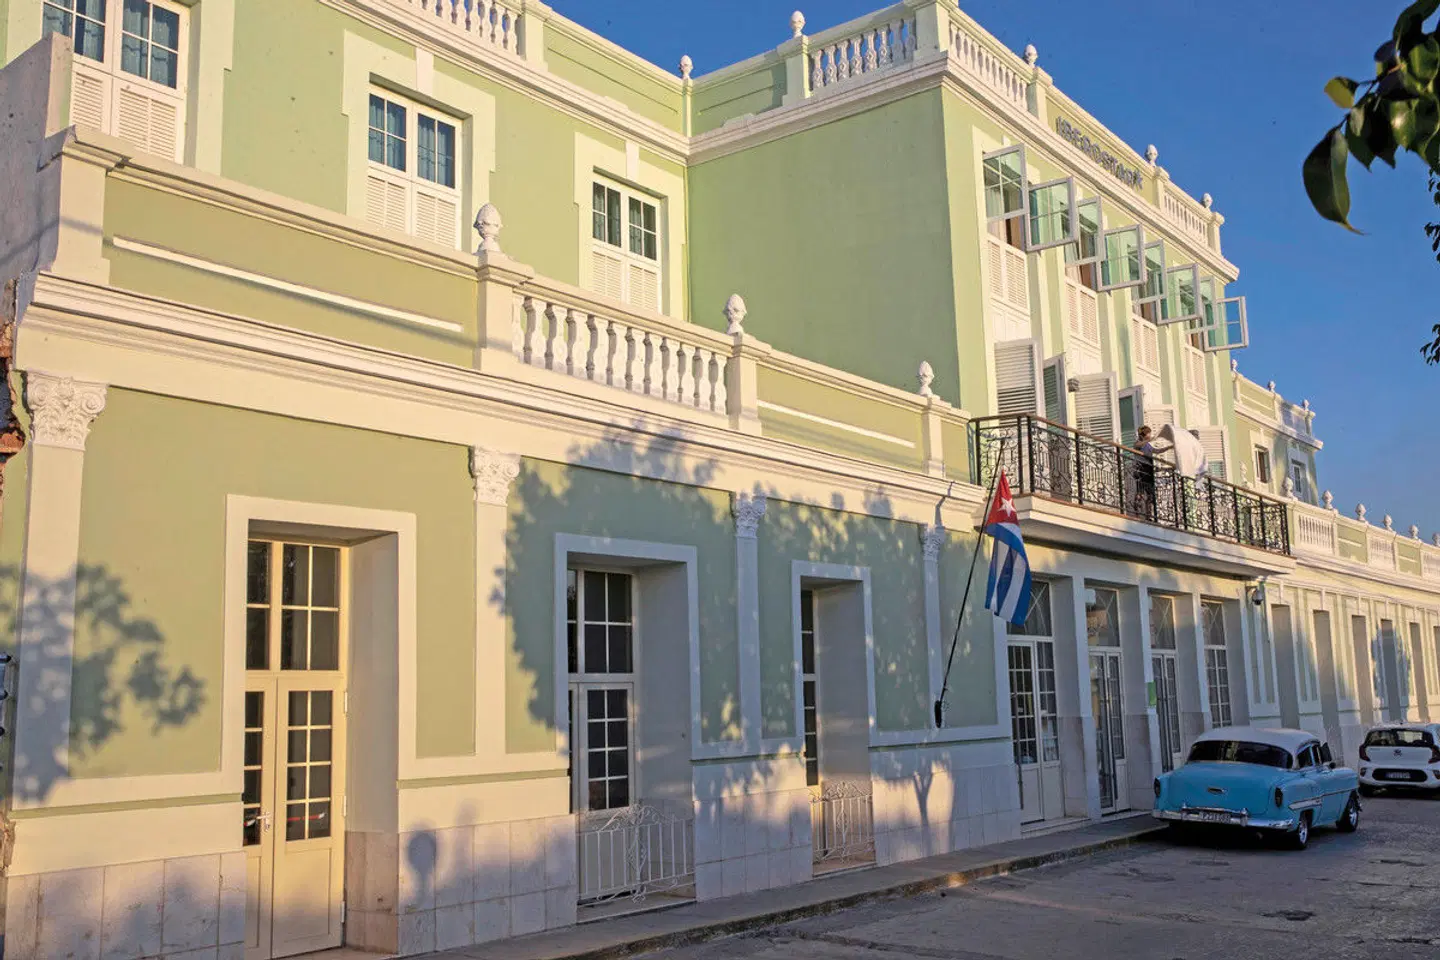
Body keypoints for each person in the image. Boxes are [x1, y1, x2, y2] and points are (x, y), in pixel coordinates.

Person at [1133, 425, 1170, 517]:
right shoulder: (1138, 443)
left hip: (1149, 469)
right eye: (1148, 433)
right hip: (1141, 469)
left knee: (1150, 494)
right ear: (1143, 435)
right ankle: (1137, 512)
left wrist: (1169, 447)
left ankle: (1148, 514)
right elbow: (1137, 445)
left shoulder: (1147, 445)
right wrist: (1150, 440)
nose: (1150, 435)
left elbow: (1156, 451)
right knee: (1141, 491)